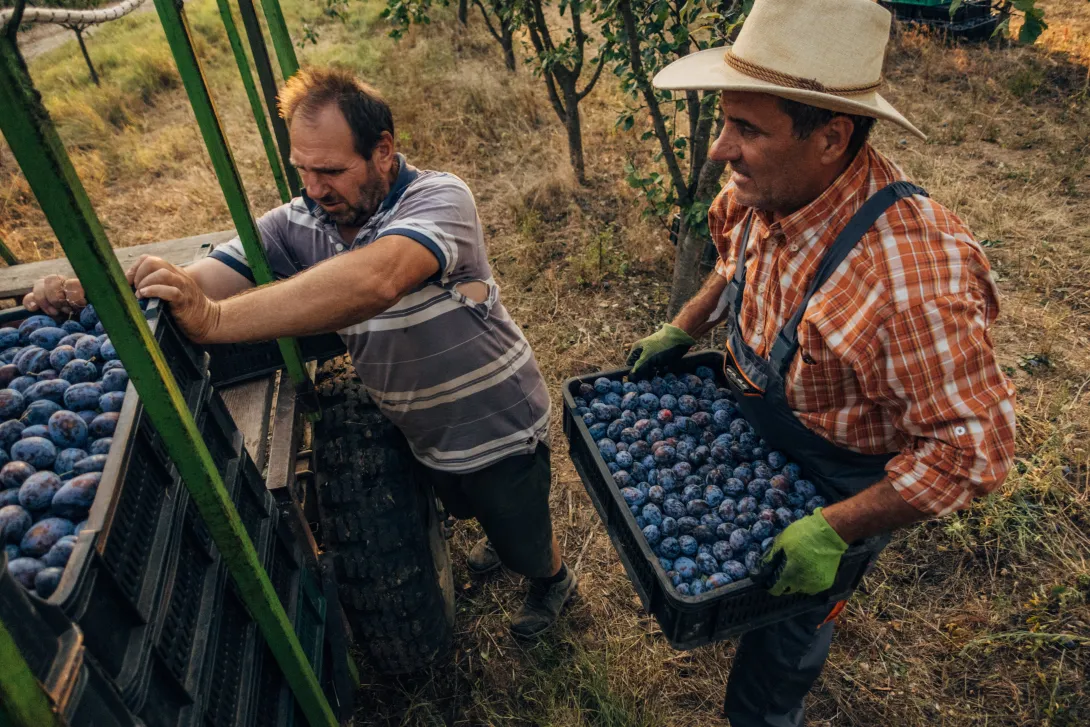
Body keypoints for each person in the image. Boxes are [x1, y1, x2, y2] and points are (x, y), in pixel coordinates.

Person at [24, 67, 576, 639]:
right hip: (420, 420)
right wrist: (95, 288)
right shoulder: (301, 221)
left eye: (331, 170)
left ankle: (551, 579)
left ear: (383, 151)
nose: (314, 188)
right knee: (463, 498)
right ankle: (500, 535)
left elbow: (379, 279)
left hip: (494, 419)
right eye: (304, 170)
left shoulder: (440, 199)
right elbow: (200, 279)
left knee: (520, 522)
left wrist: (214, 321)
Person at [625, 0, 1016, 722]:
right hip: (757, 427)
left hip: (840, 476)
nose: (720, 149)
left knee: (784, 644)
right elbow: (738, 259)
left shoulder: (907, 281)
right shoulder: (762, 186)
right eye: (724, 121)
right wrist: (685, 324)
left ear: (832, 137)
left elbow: (971, 452)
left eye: (746, 129)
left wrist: (836, 527)